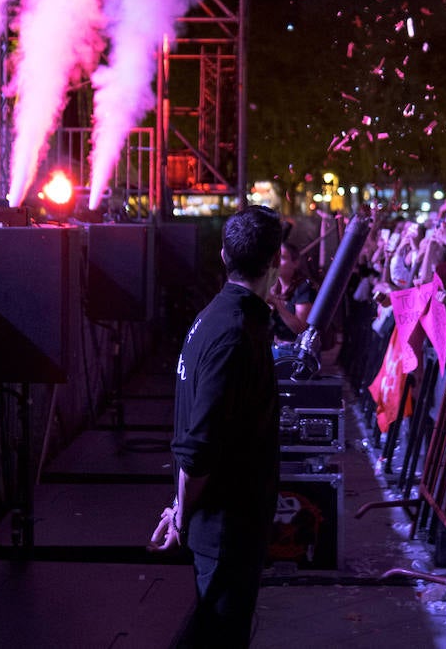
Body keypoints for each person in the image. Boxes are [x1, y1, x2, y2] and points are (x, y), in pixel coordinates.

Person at [152, 205, 283, 646]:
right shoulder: (234, 333)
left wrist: (179, 507)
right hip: (228, 528)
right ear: (275, 262)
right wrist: (180, 513)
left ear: (224, 256)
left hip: (223, 524)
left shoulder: (215, 316)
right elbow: (200, 447)